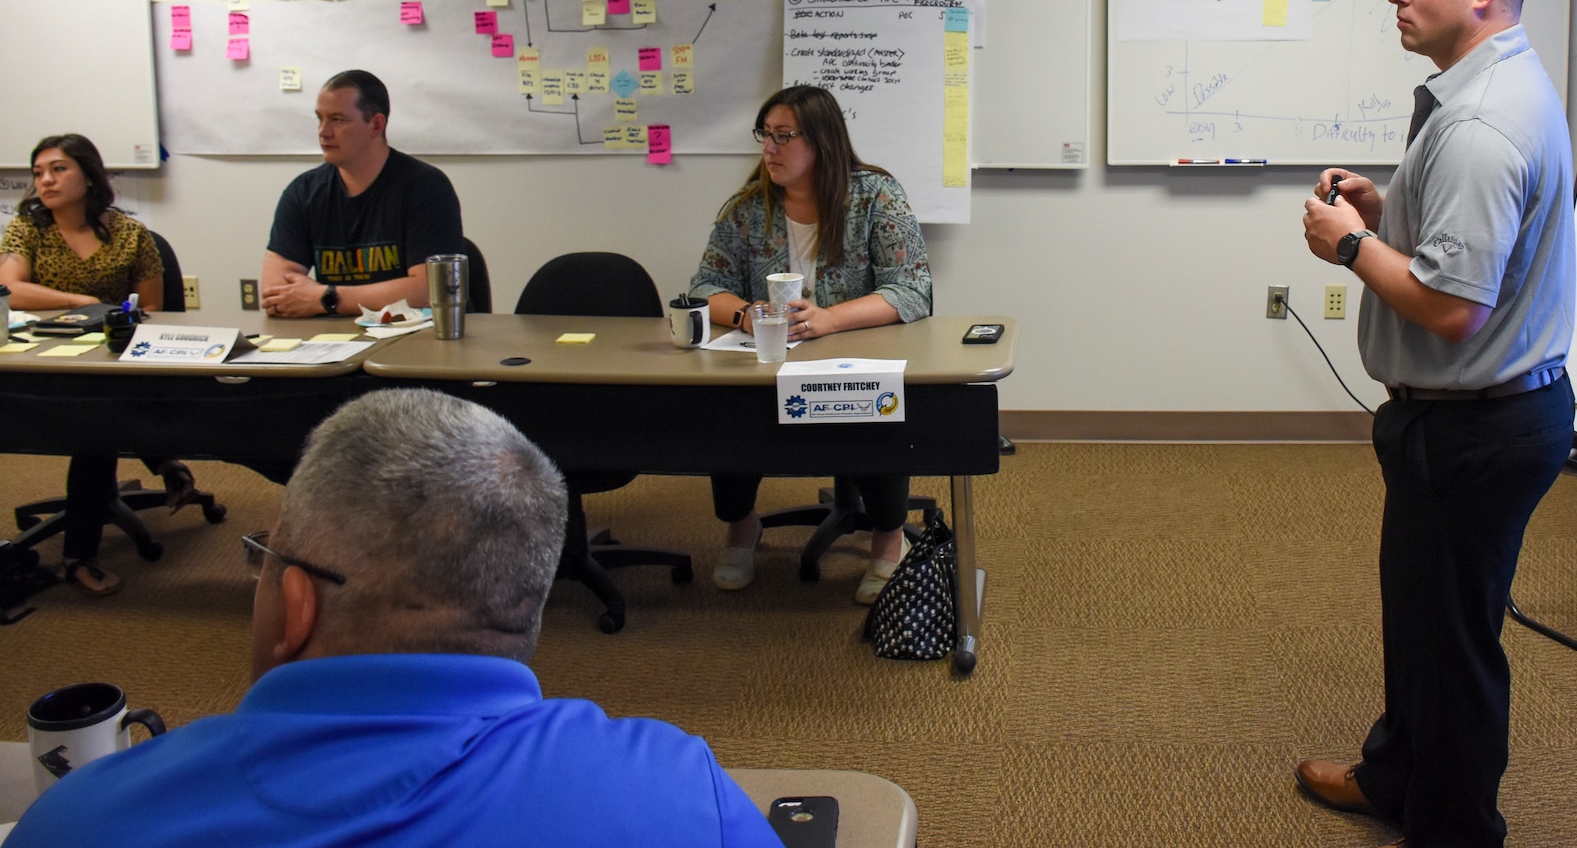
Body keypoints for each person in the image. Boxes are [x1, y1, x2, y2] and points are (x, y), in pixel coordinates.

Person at [9, 387, 782, 847]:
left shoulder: (81, 821)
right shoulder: (677, 796)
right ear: (526, 594)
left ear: (297, 602)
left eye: (263, 558)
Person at [1295, 0, 1577, 848]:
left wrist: (1352, 243)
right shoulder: (1489, 88)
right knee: (1421, 617)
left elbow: (1456, 309)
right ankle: (1395, 775)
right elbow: (1464, 246)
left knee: (1452, 645)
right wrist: (1392, 209)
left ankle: (1453, 829)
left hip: (1475, 427)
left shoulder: (1482, 123)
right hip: (1469, 421)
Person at [691, 84, 932, 602]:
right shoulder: (749, 209)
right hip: (769, 362)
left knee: (878, 408)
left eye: (783, 137)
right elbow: (705, 286)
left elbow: (913, 290)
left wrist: (829, 320)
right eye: (765, 136)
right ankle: (741, 525)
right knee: (723, 406)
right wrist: (746, 314)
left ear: (821, 141)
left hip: (859, 357)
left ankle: (889, 537)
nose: (769, 149)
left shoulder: (875, 197)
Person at [0, 133, 193, 596]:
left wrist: (113, 321)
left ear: (89, 176)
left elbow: (153, 311)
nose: (45, 180)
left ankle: (77, 556)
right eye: (38, 172)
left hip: (114, 357)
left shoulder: (130, 234)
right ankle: (165, 461)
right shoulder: (27, 228)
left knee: (98, 422)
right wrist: (83, 301)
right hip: (48, 360)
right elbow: (12, 289)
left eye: (58, 169)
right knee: (97, 419)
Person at [261, 69, 464, 318]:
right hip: (336, 344)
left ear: (376, 125)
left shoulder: (426, 187)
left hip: (418, 341)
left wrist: (327, 297)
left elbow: (430, 290)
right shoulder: (303, 192)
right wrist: (330, 298)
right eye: (320, 118)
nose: (323, 132)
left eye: (338, 120)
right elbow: (275, 293)